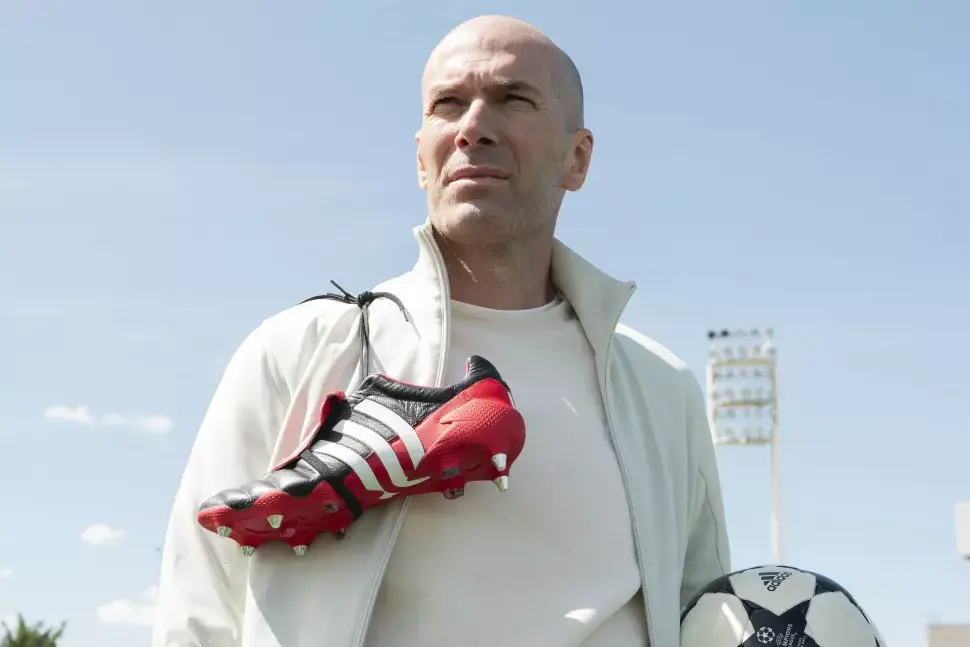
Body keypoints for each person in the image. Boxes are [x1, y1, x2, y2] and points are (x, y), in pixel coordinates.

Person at [152, 14, 730, 647]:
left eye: (514, 99)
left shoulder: (661, 388)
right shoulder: (299, 349)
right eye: (448, 105)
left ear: (578, 157)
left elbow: (706, 611)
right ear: (421, 159)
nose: (474, 128)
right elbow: (199, 605)